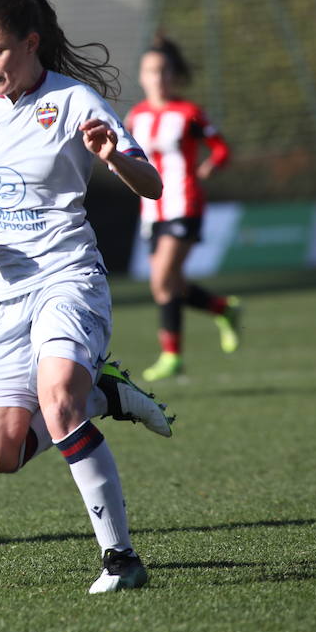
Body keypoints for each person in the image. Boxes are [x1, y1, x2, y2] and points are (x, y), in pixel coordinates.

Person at [0, 0, 168, 594]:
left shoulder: (73, 101)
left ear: (30, 43)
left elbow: (152, 185)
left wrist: (115, 157)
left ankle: (120, 559)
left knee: (57, 395)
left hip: (68, 278)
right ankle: (103, 399)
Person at [124, 36, 239, 382]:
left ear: (173, 76)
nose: (157, 78)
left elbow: (221, 149)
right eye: (150, 71)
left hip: (184, 203)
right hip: (151, 210)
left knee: (161, 279)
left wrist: (210, 167)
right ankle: (222, 308)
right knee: (166, 284)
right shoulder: (136, 116)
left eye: (163, 71)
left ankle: (172, 356)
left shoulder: (189, 114)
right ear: (142, 76)